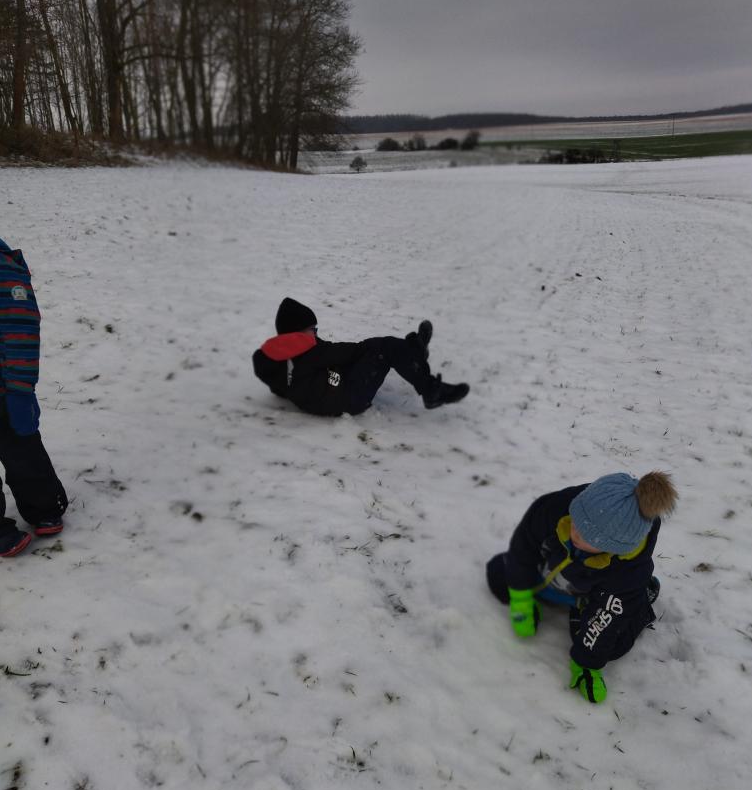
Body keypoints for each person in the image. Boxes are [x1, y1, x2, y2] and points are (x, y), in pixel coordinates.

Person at [486, 471, 678, 704]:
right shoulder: (558, 507)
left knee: (612, 644)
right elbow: (523, 545)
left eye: (587, 536)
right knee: (499, 572)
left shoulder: (629, 570)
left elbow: (607, 616)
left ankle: (641, 603)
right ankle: (540, 596)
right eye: (575, 521)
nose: (574, 531)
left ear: (613, 547)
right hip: (550, 575)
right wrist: (521, 598)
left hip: (591, 597)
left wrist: (586, 663)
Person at [253, 297, 469, 416]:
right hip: (348, 398)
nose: (316, 333)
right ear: (297, 332)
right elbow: (350, 352)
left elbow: (282, 385)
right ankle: (430, 389)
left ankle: (413, 354)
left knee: (382, 349)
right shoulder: (311, 351)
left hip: (333, 387)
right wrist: (375, 348)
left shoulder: (272, 360)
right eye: (313, 329)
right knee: (384, 348)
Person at [0, 238, 68, 556]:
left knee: (22, 448)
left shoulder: (4, 270)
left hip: (5, 390)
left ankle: (43, 507)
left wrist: (20, 388)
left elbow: (20, 328)